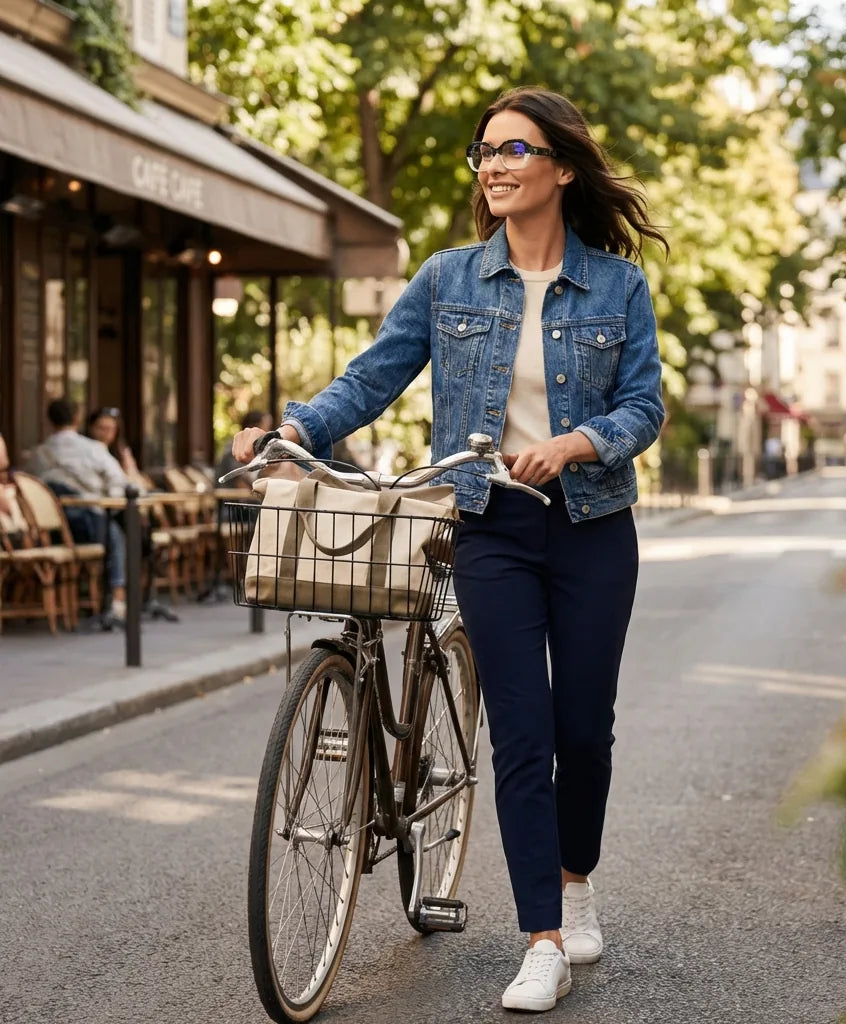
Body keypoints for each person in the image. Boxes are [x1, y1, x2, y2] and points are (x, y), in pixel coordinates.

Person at [231, 87, 666, 1013]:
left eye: (515, 149)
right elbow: (374, 376)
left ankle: (576, 880)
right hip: (488, 525)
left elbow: (644, 407)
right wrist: (296, 425)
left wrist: (575, 442)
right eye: (486, 152)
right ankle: (540, 936)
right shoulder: (448, 279)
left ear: (560, 166)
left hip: (592, 527)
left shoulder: (620, 286)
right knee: (519, 731)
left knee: (584, 733)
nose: (496, 165)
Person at [26, 398, 130, 621]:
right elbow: (121, 483)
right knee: (117, 534)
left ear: (50, 420)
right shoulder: (93, 449)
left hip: (52, 532)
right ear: (77, 418)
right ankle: (117, 599)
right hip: (89, 524)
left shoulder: (37, 454)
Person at [84, 407, 146, 488]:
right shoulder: (85, 449)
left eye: (111, 429)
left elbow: (134, 478)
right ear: (91, 428)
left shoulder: (121, 451)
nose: (106, 433)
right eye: (102, 428)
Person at [216, 410, 274, 486]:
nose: (269, 432)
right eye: (267, 428)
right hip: (232, 495)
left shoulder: (260, 449)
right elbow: (241, 482)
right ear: (254, 427)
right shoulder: (235, 447)